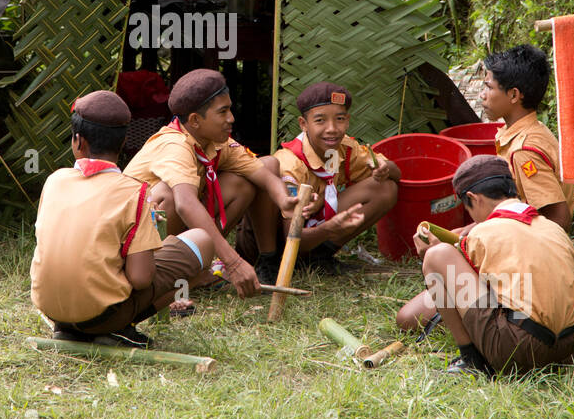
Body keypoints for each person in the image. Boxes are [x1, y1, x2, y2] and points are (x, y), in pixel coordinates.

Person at [30, 90, 214, 348]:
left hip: (52, 310)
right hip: (104, 316)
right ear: (124, 140)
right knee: (202, 240)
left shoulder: (54, 180)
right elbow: (140, 278)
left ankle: (76, 328)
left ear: (77, 141)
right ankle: (119, 328)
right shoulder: (135, 192)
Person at [397, 155, 574, 376]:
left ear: (473, 198)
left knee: (438, 255)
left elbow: (460, 282)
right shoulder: (552, 228)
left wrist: (430, 254)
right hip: (567, 350)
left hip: (521, 350)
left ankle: (471, 359)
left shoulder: (484, 232)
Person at [123, 69, 299, 297]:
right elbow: (185, 204)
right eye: (223, 112)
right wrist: (233, 262)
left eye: (230, 109)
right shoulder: (174, 146)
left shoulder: (214, 142)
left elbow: (262, 173)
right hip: (133, 244)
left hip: (178, 233)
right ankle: (165, 274)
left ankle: (202, 265)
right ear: (195, 120)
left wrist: (285, 201)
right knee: (166, 194)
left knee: (245, 182)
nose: (231, 119)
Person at [244, 82, 398, 282]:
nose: (332, 129)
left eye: (340, 119)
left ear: (348, 120)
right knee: (266, 165)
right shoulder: (291, 163)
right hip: (279, 238)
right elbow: (295, 236)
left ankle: (318, 259)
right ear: (303, 124)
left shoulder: (345, 148)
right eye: (320, 120)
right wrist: (330, 228)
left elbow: (397, 173)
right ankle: (269, 264)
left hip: (312, 234)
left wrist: (384, 168)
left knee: (385, 187)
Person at [479, 44, 574, 232]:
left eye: (489, 87)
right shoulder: (531, 130)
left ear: (514, 95)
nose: (482, 95)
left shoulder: (524, 150)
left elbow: (559, 218)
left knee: (444, 256)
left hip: (536, 247)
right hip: (521, 230)